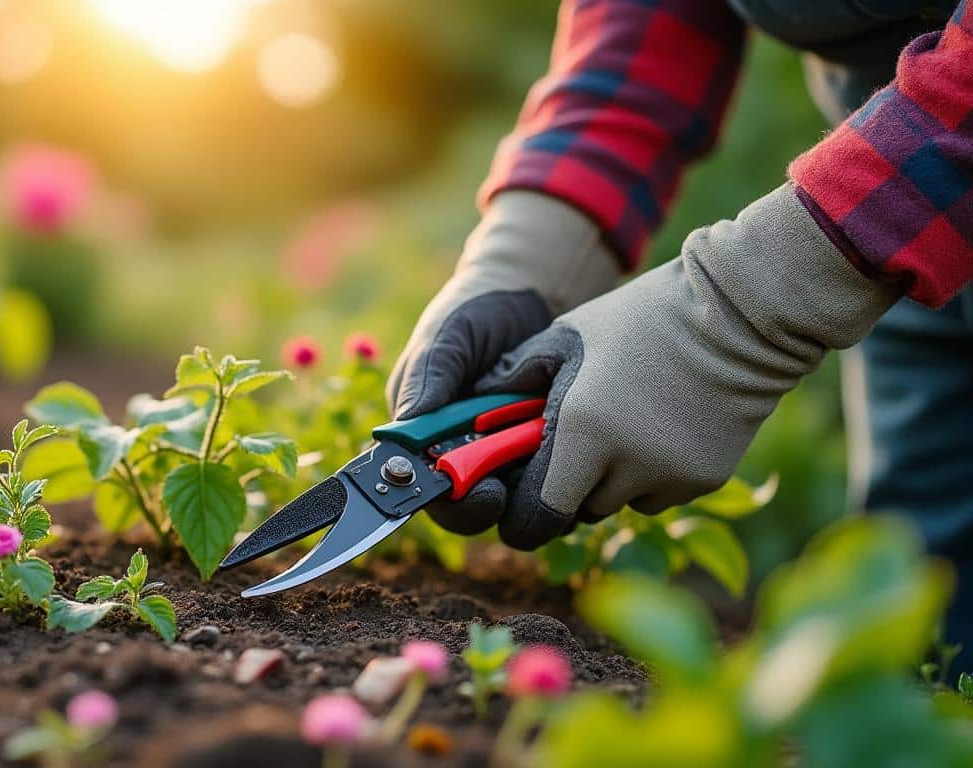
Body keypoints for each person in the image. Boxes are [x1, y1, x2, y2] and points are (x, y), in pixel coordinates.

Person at [387, 0, 973, 646]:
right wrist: (533, 249)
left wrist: (743, 311)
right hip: (897, 237)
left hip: (896, 203)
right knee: (929, 615)